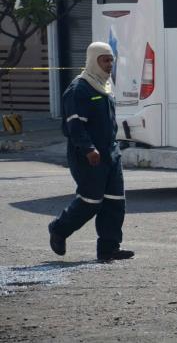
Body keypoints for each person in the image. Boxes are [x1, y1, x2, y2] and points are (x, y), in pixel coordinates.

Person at [48, 42, 134, 261]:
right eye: (104, 60)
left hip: (110, 152)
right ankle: (59, 229)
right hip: (88, 154)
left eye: (111, 60)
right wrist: (88, 149)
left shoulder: (105, 86)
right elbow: (74, 125)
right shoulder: (79, 88)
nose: (109, 65)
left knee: (115, 201)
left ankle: (109, 248)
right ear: (93, 60)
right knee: (90, 201)